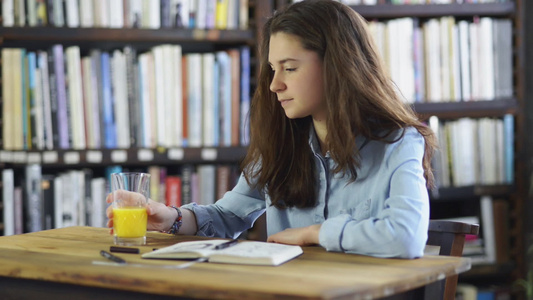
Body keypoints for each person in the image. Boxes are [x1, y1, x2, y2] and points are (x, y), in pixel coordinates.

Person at [107, 0, 437, 259]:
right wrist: (172, 217)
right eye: (272, 69)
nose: (275, 85)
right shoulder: (282, 142)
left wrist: (314, 233)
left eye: (290, 68)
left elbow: (405, 237)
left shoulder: (399, 142)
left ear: (339, 67)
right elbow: (227, 217)